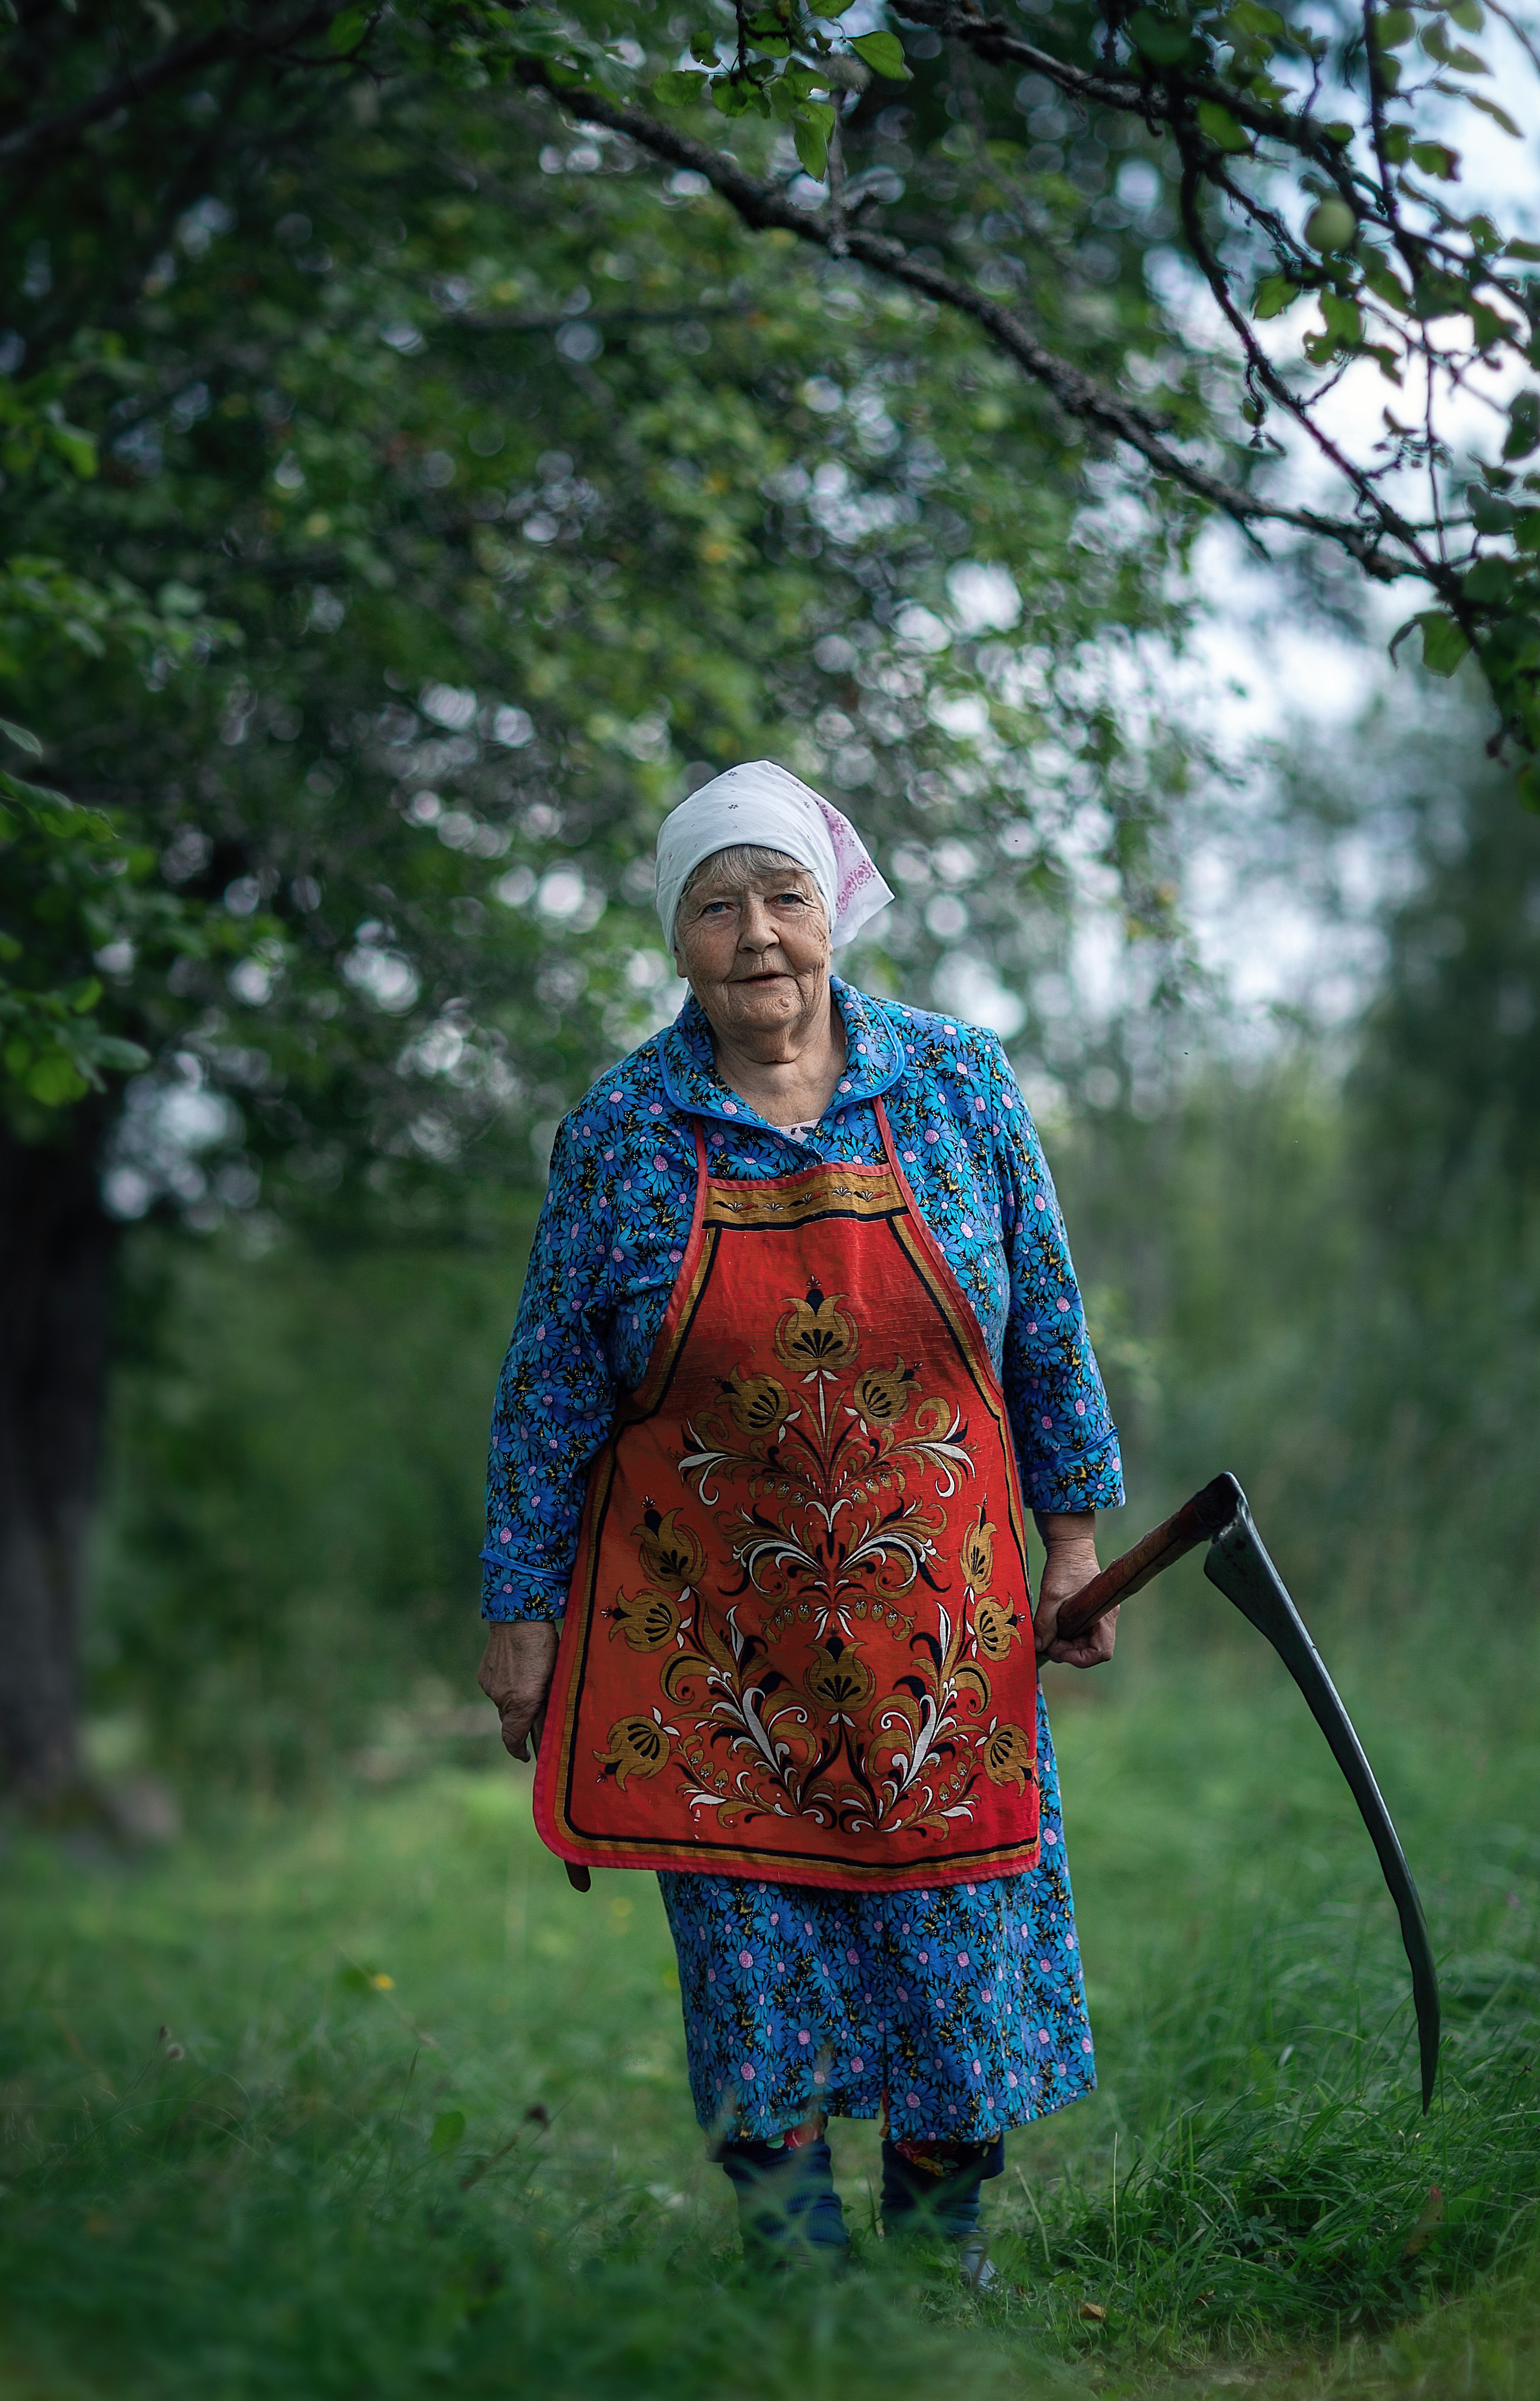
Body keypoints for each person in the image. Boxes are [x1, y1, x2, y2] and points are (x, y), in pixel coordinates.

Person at [478, 760, 1123, 2278]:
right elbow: (546, 1393)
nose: (755, 934)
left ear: (832, 909)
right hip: (704, 1630)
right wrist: (522, 1614)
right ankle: (803, 2295)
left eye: (783, 895)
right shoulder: (623, 1132)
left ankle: (931, 2284)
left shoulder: (957, 1082)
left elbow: (1049, 1337)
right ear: (675, 937)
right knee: (755, 1977)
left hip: (939, 1625)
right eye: (716, 905)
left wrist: (1076, 1545)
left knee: (958, 1962)